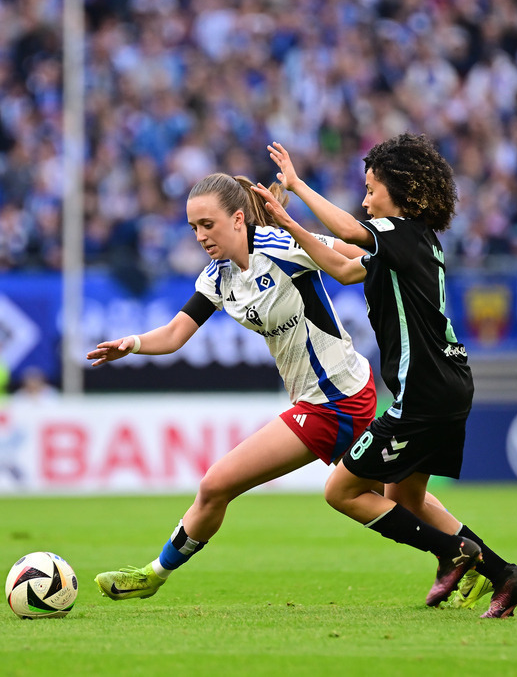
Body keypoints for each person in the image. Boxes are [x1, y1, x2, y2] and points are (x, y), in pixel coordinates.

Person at [88, 172, 458, 602]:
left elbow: (358, 260)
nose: (200, 236)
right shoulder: (218, 279)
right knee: (392, 496)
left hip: (334, 398)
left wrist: (400, 258)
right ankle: (473, 558)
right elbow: (174, 335)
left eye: (208, 224)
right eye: (193, 228)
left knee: (216, 484)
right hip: (332, 394)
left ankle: (153, 574)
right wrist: (131, 344)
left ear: (239, 218)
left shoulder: (282, 246)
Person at [252, 134, 517, 619]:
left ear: (401, 189)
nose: (364, 200)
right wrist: (287, 224)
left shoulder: (400, 232)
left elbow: (353, 230)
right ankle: (506, 576)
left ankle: (453, 553)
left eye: (370, 188)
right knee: (404, 496)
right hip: (446, 383)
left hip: (423, 389)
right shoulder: (412, 245)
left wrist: (297, 187)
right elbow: (342, 268)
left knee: (341, 490)